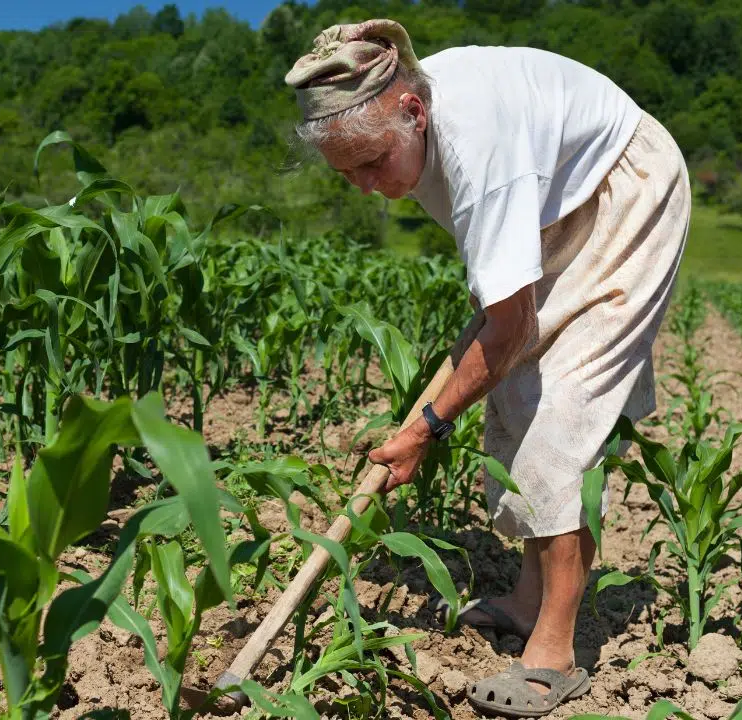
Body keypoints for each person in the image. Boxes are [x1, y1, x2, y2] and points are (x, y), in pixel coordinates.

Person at [284, 19, 690, 717]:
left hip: (627, 191)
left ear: (413, 111)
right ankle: (530, 601)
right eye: (346, 171)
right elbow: (502, 322)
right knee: (515, 395)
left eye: (372, 163)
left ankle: (555, 652)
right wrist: (442, 402)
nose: (364, 185)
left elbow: (506, 329)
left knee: (560, 414)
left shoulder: (478, 149)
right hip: (555, 203)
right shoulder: (417, 123)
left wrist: (426, 428)